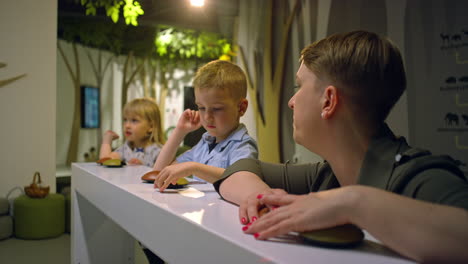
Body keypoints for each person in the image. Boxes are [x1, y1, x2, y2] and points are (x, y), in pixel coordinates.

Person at [213, 31, 468, 263]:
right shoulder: (329, 175)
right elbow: (240, 169)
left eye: (299, 86)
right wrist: (265, 202)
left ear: (329, 101)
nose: (291, 101)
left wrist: (353, 203)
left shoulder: (423, 178)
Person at [153, 60, 258, 192]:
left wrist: (194, 167)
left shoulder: (243, 145)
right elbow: (158, 172)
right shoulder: (205, 143)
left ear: (241, 108)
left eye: (217, 109)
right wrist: (180, 131)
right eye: (201, 108)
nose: (207, 116)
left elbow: (240, 180)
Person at [99, 97, 165, 167]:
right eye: (125, 120)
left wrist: (142, 168)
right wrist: (107, 140)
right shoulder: (126, 148)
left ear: (151, 126)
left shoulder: (158, 151)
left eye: (134, 120)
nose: (127, 125)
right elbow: (105, 161)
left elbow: (163, 174)